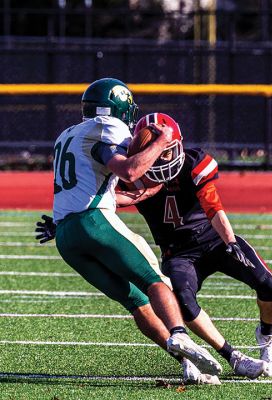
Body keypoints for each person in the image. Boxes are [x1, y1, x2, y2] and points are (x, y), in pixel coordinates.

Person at [42, 77, 224, 384]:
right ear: (118, 108)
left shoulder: (67, 135)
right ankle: (179, 333)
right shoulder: (107, 128)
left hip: (65, 235)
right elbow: (130, 170)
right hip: (94, 222)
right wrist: (160, 142)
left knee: (135, 300)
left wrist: (147, 192)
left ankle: (186, 365)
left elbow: (106, 190)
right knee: (156, 281)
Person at [115, 112, 272, 379]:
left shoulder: (194, 164)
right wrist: (65, 219)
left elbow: (213, 207)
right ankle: (233, 357)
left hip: (213, 238)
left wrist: (230, 240)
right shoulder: (133, 174)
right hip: (177, 252)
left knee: (267, 284)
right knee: (183, 303)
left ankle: (266, 336)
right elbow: (101, 203)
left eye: (167, 152)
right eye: (155, 153)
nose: (161, 159)